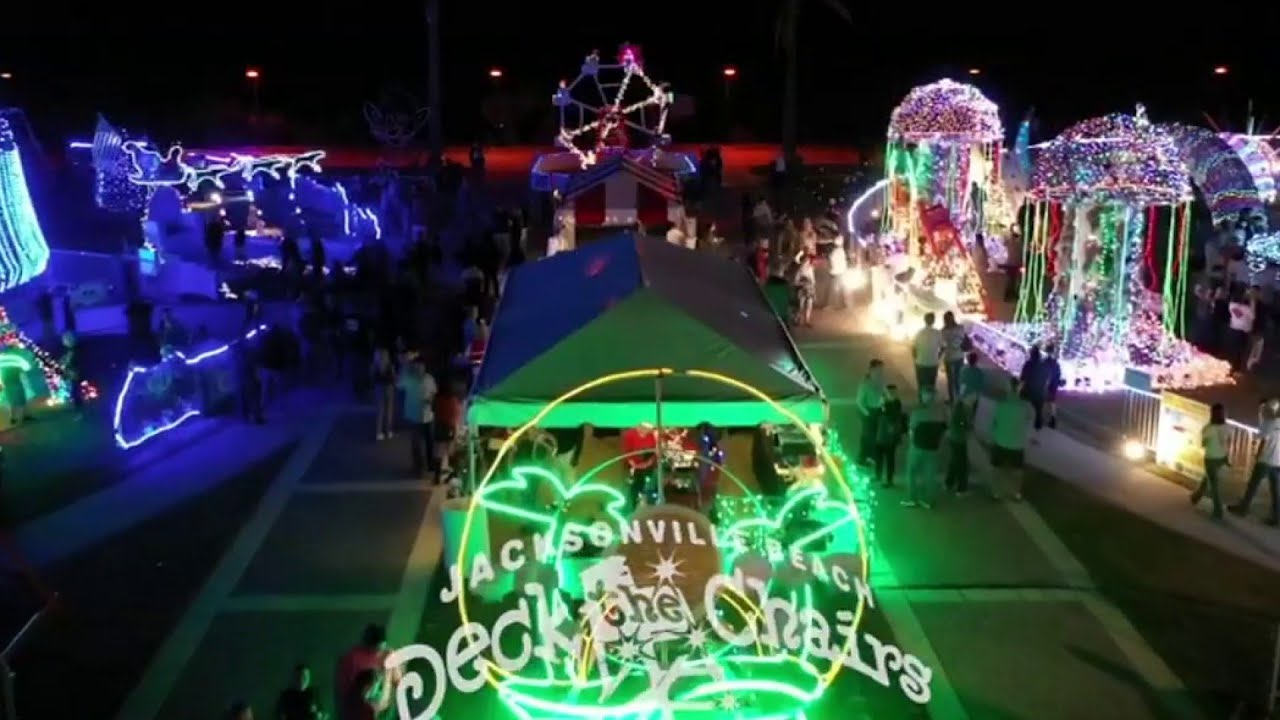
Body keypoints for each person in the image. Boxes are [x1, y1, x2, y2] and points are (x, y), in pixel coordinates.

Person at [1228, 399, 1280, 525]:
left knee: (1253, 486)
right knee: (1276, 491)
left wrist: (1257, 455)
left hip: (1265, 459)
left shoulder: (1270, 422)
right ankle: (1276, 518)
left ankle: (1243, 509)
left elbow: (1263, 440)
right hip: (1278, 462)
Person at [989, 378, 1032, 501]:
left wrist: (993, 434)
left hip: (1000, 440)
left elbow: (994, 424)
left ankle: (996, 492)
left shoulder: (1001, 404)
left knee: (996, 468)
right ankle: (1016, 493)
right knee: (1017, 470)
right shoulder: (1026, 406)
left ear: (1008, 388)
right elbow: (1031, 421)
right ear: (1019, 388)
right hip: (1018, 443)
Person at [904, 386, 947, 508]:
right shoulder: (941, 412)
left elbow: (911, 431)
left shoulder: (917, 413)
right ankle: (928, 500)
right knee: (930, 475)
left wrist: (912, 442)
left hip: (917, 446)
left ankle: (912, 498)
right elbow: (944, 428)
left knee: (911, 472)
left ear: (923, 397)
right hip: (933, 447)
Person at [334, 625, 392, 715]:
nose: (379, 652)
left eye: (382, 648)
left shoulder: (385, 656)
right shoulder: (352, 659)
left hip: (375, 710)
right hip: (357, 710)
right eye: (377, 649)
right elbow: (344, 690)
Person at [397, 356, 438, 479]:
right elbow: (398, 384)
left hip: (428, 415)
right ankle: (418, 467)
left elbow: (434, 392)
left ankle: (430, 465)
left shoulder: (429, 379)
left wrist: (430, 400)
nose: (419, 369)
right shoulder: (409, 379)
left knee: (430, 442)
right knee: (416, 443)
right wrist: (404, 366)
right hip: (414, 416)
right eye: (417, 367)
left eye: (421, 366)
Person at [1192, 402, 1229, 519]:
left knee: (1213, 485)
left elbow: (1203, 444)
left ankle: (1218, 511)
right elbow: (1228, 441)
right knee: (1208, 477)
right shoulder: (1227, 427)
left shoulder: (1208, 428)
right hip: (1221, 457)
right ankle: (1196, 497)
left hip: (1211, 457)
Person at [855, 359, 886, 466]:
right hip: (869, 412)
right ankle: (863, 458)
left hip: (878, 411)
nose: (881, 372)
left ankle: (872, 457)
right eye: (878, 369)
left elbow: (883, 394)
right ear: (872, 370)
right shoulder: (865, 383)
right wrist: (867, 413)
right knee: (867, 437)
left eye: (882, 370)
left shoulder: (880, 381)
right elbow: (859, 401)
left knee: (876, 436)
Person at [875, 383, 907, 487]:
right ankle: (879, 475)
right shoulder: (886, 403)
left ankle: (888, 479)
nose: (888, 394)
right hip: (882, 434)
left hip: (889, 436)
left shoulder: (895, 404)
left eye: (890, 392)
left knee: (889, 458)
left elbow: (891, 417)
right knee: (880, 456)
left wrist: (882, 405)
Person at [621, 422, 659, 508]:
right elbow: (627, 453)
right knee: (636, 485)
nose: (647, 431)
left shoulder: (653, 435)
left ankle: (650, 503)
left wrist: (649, 462)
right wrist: (634, 465)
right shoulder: (629, 434)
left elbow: (655, 452)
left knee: (651, 483)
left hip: (649, 465)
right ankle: (635, 503)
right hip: (634, 466)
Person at [945, 392, 975, 495]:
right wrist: (968, 427)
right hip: (959, 439)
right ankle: (961, 488)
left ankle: (949, 483)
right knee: (962, 464)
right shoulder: (962, 409)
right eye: (973, 396)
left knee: (954, 461)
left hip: (955, 438)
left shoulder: (959, 407)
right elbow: (962, 424)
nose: (975, 398)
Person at [1019, 345, 1049, 433]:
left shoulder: (1028, 364)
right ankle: (1037, 434)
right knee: (1038, 414)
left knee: (1022, 408)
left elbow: (1022, 379)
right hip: (1040, 393)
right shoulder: (1044, 366)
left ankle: (1020, 426)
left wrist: (1018, 391)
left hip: (1028, 391)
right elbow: (1047, 380)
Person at [911, 312, 943, 398]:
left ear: (924, 320)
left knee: (921, 384)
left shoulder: (919, 333)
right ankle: (930, 402)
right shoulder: (937, 333)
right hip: (933, 363)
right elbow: (943, 347)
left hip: (921, 363)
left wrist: (916, 358)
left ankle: (922, 401)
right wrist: (938, 356)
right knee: (931, 385)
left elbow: (913, 348)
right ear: (933, 321)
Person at [939, 311, 968, 401]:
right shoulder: (961, 328)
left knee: (951, 380)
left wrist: (939, 356)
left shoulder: (943, 331)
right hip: (959, 356)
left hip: (949, 358)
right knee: (957, 379)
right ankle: (959, 398)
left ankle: (952, 399)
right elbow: (963, 339)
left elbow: (943, 346)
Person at [371, 346, 397, 440]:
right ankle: (388, 431)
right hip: (389, 387)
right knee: (389, 410)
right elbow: (394, 377)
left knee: (380, 411)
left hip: (379, 388)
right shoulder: (389, 365)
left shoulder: (375, 365)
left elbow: (372, 377)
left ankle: (378, 433)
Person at [1041, 343, 1064, 428]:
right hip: (1054, 384)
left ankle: (1041, 417)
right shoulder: (1056, 363)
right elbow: (1058, 374)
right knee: (1052, 402)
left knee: (1043, 400)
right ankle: (1053, 419)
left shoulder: (1045, 361)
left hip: (1046, 383)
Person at [792, 253, 816, 327]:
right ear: (802, 261)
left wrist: (811, 284)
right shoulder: (799, 271)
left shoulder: (810, 269)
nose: (807, 262)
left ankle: (807, 321)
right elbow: (795, 282)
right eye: (805, 261)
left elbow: (813, 280)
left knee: (809, 305)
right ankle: (798, 319)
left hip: (809, 289)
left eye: (808, 261)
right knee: (800, 306)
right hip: (802, 290)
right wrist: (802, 283)